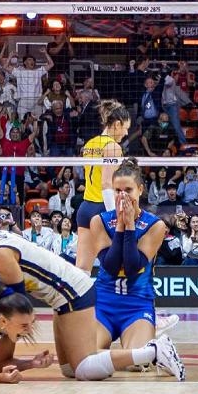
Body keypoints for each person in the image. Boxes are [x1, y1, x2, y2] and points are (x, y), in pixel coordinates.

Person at [0, 221, 184, 382]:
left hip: (74, 293)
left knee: (84, 368)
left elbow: (17, 301)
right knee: (69, 370)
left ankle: (153, 350)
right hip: (59, 299)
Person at [88, 158, 173, 373]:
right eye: (117, 190)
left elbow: (133, 267)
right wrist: (120, 226)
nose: (122, 196)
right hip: (104, 303)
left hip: (137, 305)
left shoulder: (155, 225)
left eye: (128, 190)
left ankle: (147, 352)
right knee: (86, 357)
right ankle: (150, 351)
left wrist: (130, 225)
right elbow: (111, 266)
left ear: (140, 190)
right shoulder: (99, 221)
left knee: (137, 364)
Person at [76, 100, 130, 271]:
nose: (126, 133)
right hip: (101, 208)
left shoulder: (89, 144)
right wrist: (113, 215)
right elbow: (107, 183)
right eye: (125, 127)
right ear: (117, 124)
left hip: (85, 208)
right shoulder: (113, 147)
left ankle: (75, 298)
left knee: (82, 270)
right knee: (114, 267)